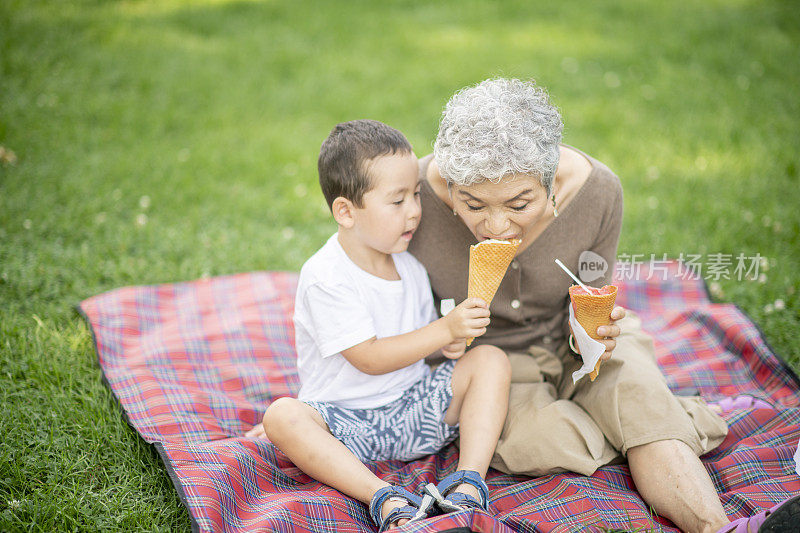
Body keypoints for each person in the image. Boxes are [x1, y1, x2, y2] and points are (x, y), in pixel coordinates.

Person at [407, 78, 799, 533]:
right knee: (541, 444)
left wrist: (592, 329)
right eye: (473, 204)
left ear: (551, 179)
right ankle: (660, 421)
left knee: (634, 392)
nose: (496, 226)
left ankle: (722, 527)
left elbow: (591, 288)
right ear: (450, 182)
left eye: (520, 203)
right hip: (487, 364)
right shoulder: (411, 195)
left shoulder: (597, 192)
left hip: (577, 343)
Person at [246, 119, 511, 531]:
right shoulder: (326, 276)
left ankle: (469, 481)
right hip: (345, 428)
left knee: (491, 360)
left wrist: (450, 344)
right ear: (346, 211)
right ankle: (382, 496)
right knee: (283, 415)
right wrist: (443, 329)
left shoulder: (409, 267)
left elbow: (417, 346)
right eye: (398, 200)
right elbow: (368, 357)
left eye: (417, 195)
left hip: (413, 415)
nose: (415, 211)